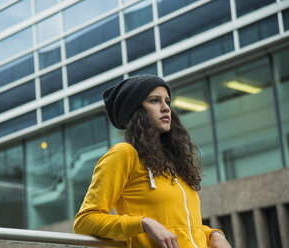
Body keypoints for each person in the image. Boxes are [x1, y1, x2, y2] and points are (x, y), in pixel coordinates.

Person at [73, 75, 232, 248]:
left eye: (167, 101)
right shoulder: (124, 154)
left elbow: (179, 226)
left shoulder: (174, 162)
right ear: (136, 110)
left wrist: (213, 234)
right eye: (155, 101)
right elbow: (84, 221)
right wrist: (143, 223)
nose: (165, 108)